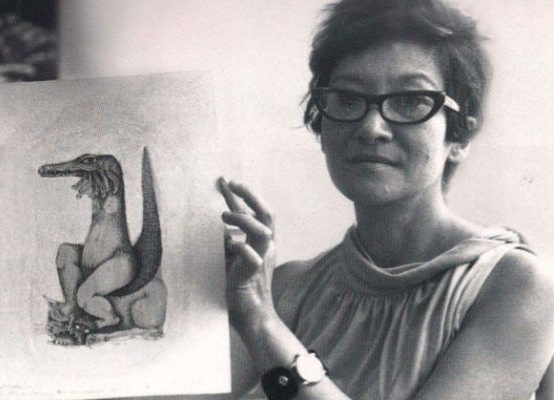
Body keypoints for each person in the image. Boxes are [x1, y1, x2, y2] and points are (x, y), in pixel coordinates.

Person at [217, 0, 554, 399]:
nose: (371, 127)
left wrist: (261, 323)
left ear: (460, 136)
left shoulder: (516, 284)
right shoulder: (284, 287)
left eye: (410, 100)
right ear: (321, 127)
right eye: (347, 98)